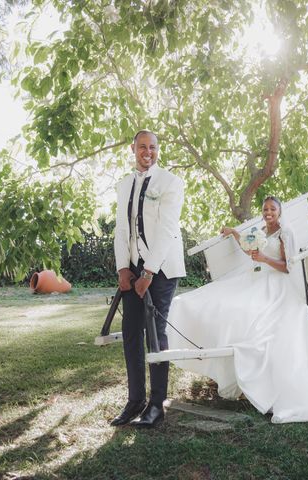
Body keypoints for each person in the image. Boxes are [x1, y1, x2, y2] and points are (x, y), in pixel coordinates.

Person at [167, 196, 308, 423]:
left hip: (276, 285)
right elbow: (250, 250)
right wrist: (234, 233)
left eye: (272, 209)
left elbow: (288, 266)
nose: (268, 212)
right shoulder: (260, 230)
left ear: (280, 212)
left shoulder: (286, 232)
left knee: (248, 314)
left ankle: (247, 374)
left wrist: (264, 258)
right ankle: (223, 366)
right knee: (215, 301)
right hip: (254, 279)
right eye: (265, 209)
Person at [111, 130, 185, 428]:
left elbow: (167, 230)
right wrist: (122, 268)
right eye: (142, 147)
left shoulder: (171, 182)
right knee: (130, 334)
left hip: (162, 268)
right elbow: (120, 228)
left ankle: (156, 406)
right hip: (132, 267)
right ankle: (135, 401)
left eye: (153, 147)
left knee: (155, 334)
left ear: (158, 150)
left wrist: (149, 273)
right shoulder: (124, 184)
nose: (148, 152)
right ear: (133, 149)